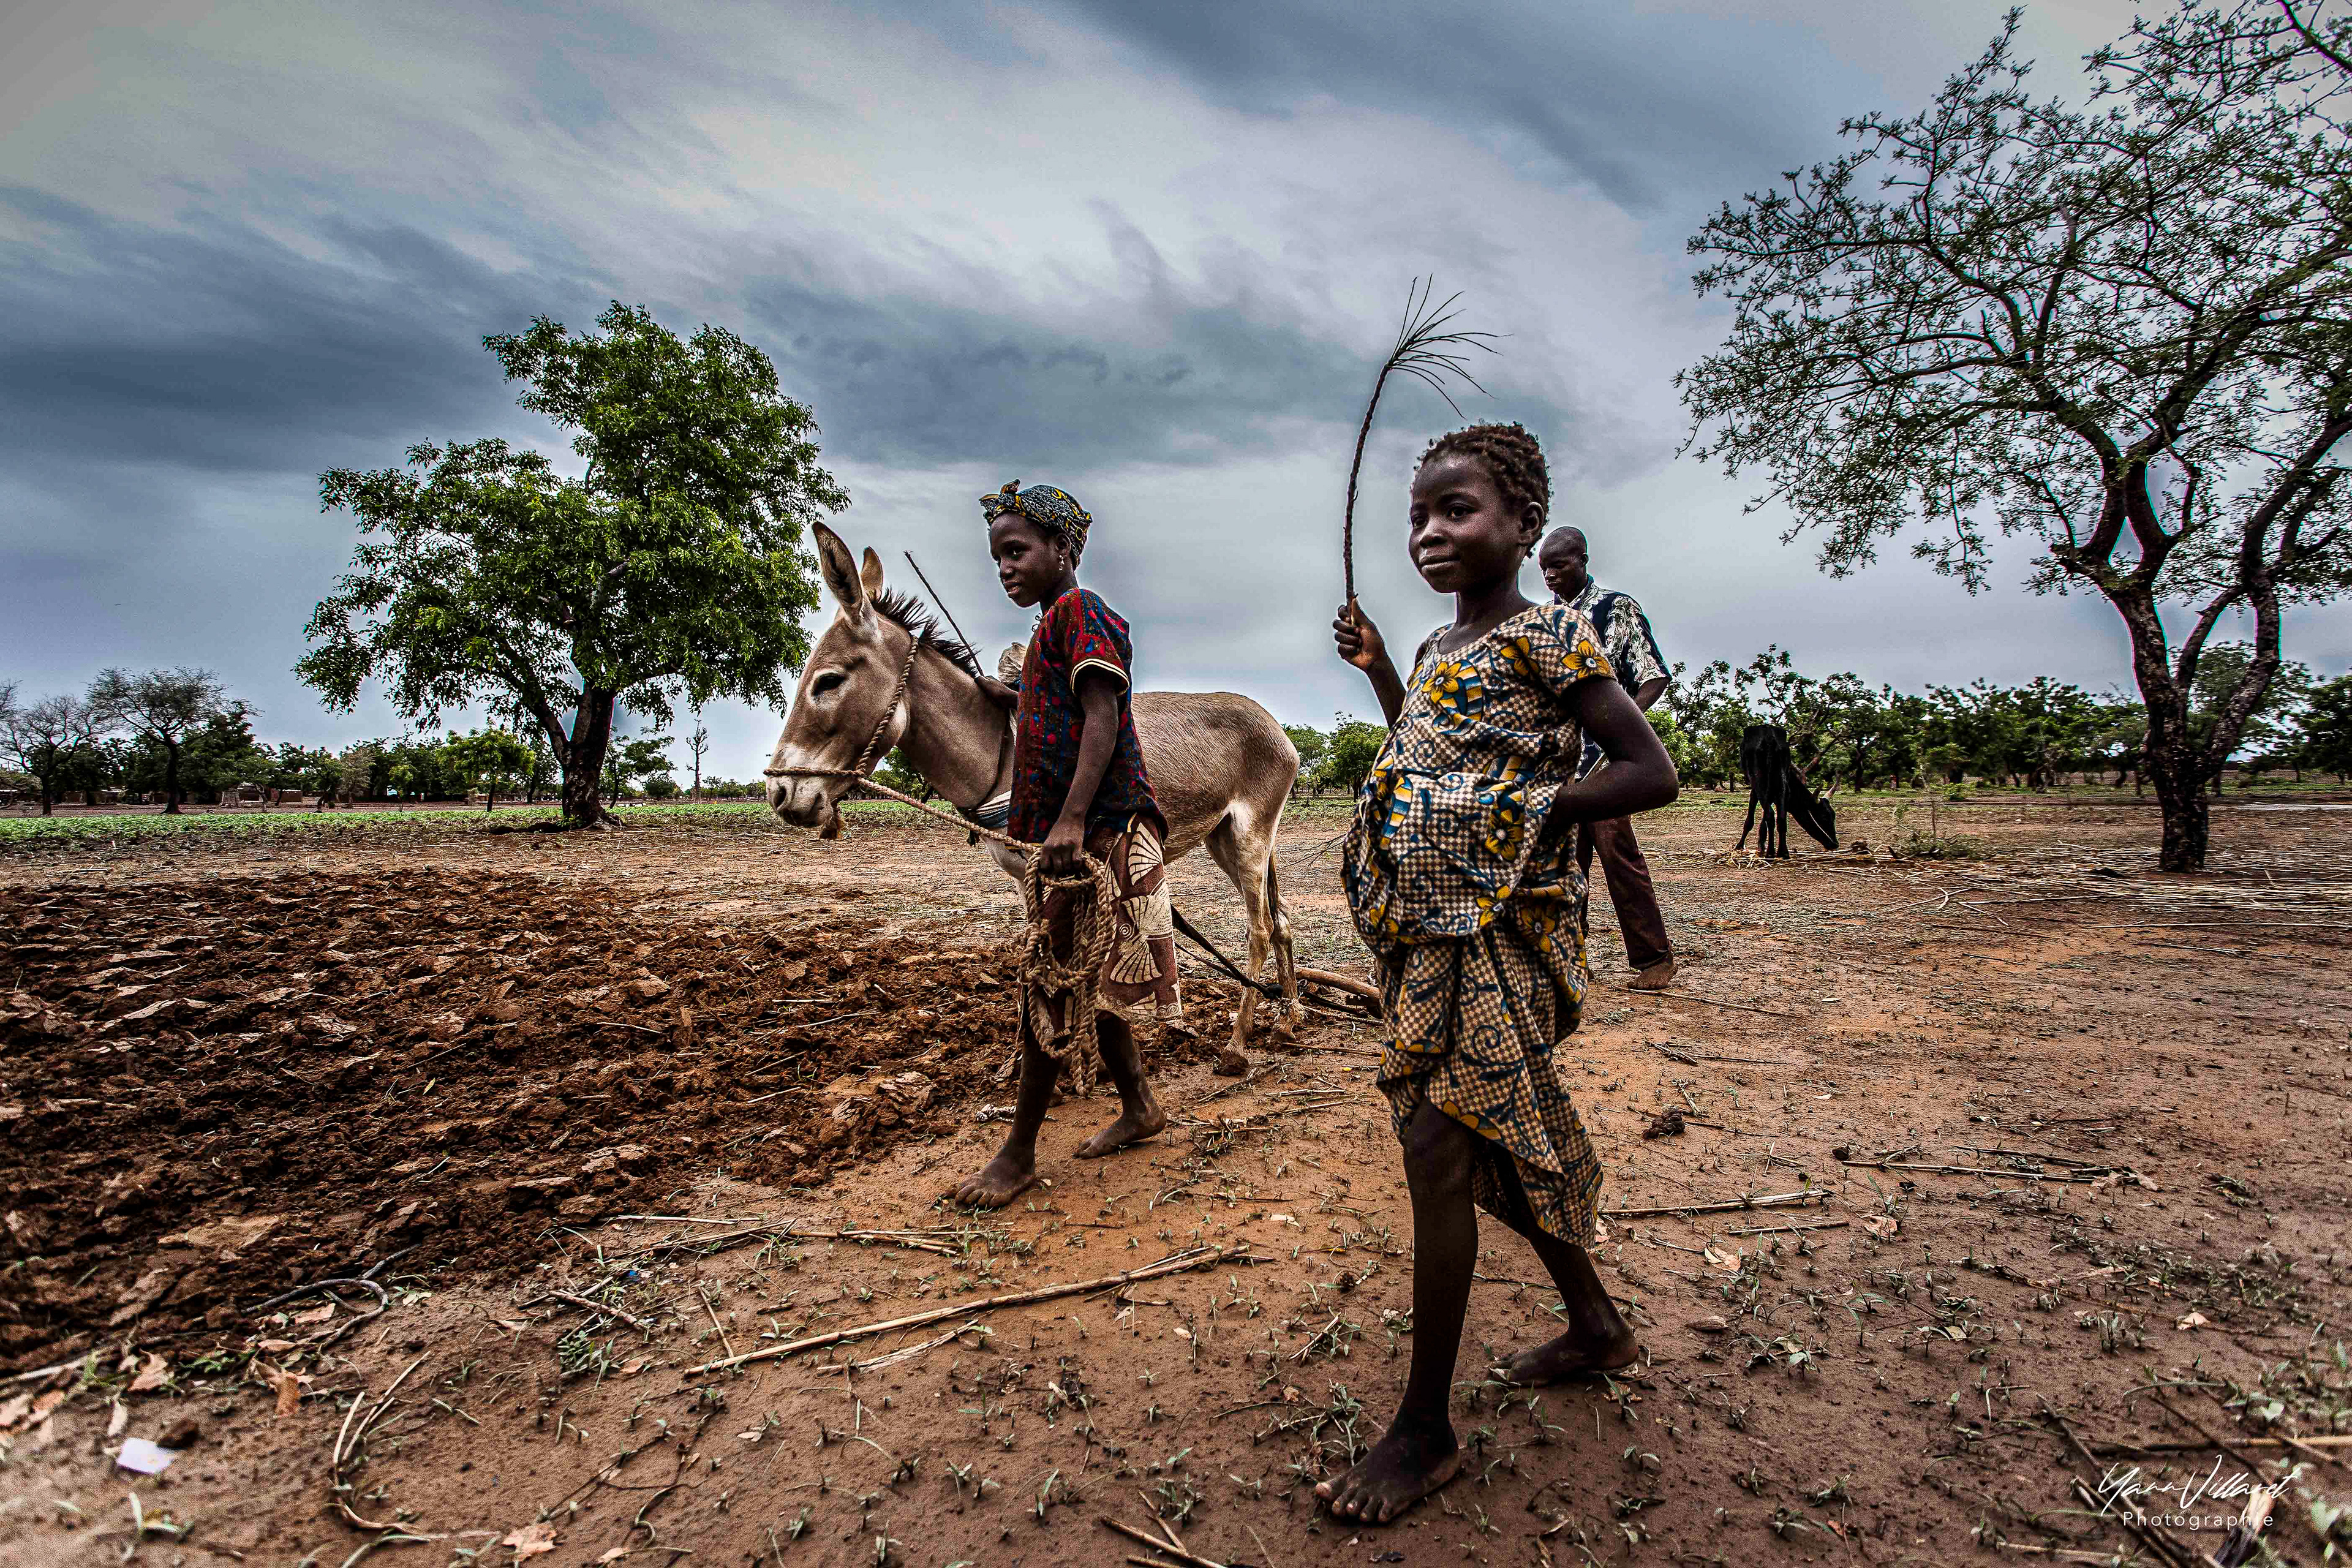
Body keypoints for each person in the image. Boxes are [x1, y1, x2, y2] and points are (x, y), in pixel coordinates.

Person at [1321, 424, 1679, 1525]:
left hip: (1503, 931)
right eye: (1417, 516)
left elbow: (1649, 771)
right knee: (1491, 1131)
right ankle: (1598, 1327)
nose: (1430, 533)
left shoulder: (1553, 633)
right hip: (1432, 926)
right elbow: (1424, 747)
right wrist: (1383, 669)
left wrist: (1512, 809)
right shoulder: (1439, 647)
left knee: (1439, 1145)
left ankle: (1424, 1432)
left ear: (1523, 524)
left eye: (1457, 509)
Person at [949, 480, 1184, 1209]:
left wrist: (1072, 819)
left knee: (1049, 981)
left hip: (1099, 830)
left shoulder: (1082, 612)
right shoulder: (1055, 625)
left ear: (1062, 547)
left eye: (1017, 551)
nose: (1005, 568)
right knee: (1087, 974)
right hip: (1083, 830)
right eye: (997, 558)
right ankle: (1140, 1106)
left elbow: (1103, 716)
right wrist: (1016, 699)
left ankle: (1018, 1154)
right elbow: (1064, 710)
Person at [1536, 527, 1678, 989]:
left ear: (1583, 560)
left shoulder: (1615, 609)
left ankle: (1654, 961)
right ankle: (1571, 960)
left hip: (1607, 762)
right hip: (1560, 765)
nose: (1550, 576)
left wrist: (1618, 732)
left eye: (1559, 566)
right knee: (1565, 864)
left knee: (1617, 852)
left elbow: (1653, 676)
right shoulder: (1544, 620)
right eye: (1544, 569)